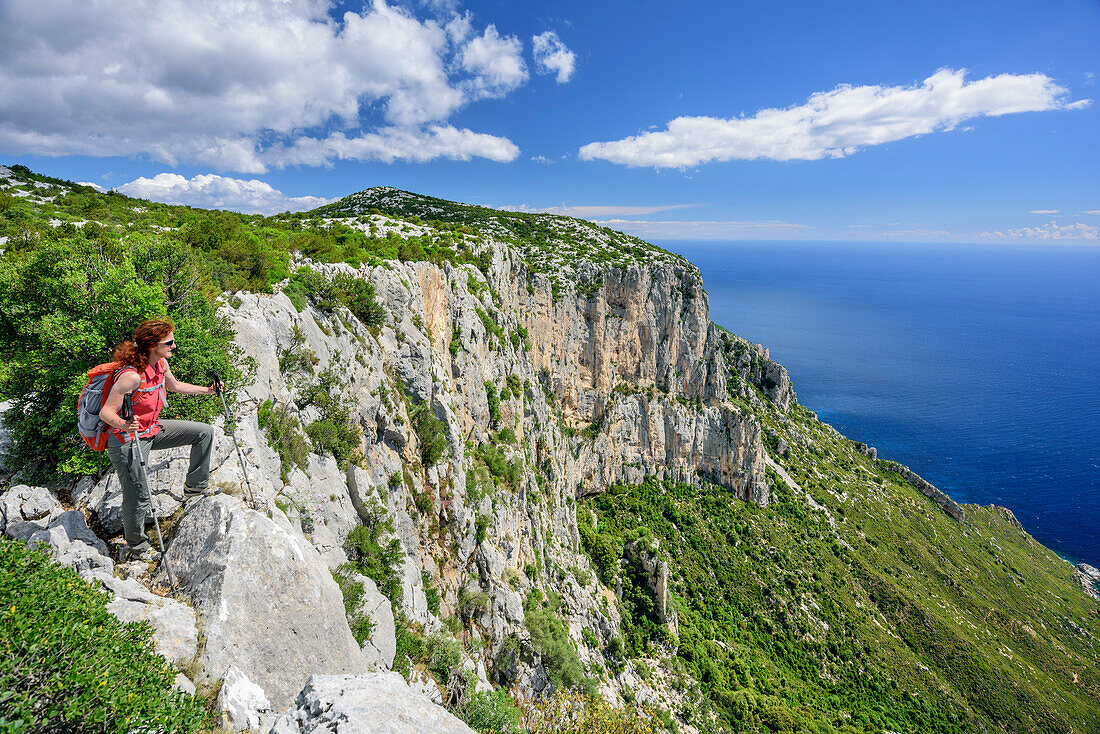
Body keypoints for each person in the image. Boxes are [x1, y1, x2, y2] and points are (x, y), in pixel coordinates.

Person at [98, 318, 221, 561]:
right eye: (169, 342)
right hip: (126, 440)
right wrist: (124, 424)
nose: (174, 345)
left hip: (152, 430)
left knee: (203, 432)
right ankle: (137, 546)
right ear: (153, 345)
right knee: (138, 494)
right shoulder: (131, 377)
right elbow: (106, 412)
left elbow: (173, 386)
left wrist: (208, 391)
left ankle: (195, 487)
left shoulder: (161, 364)